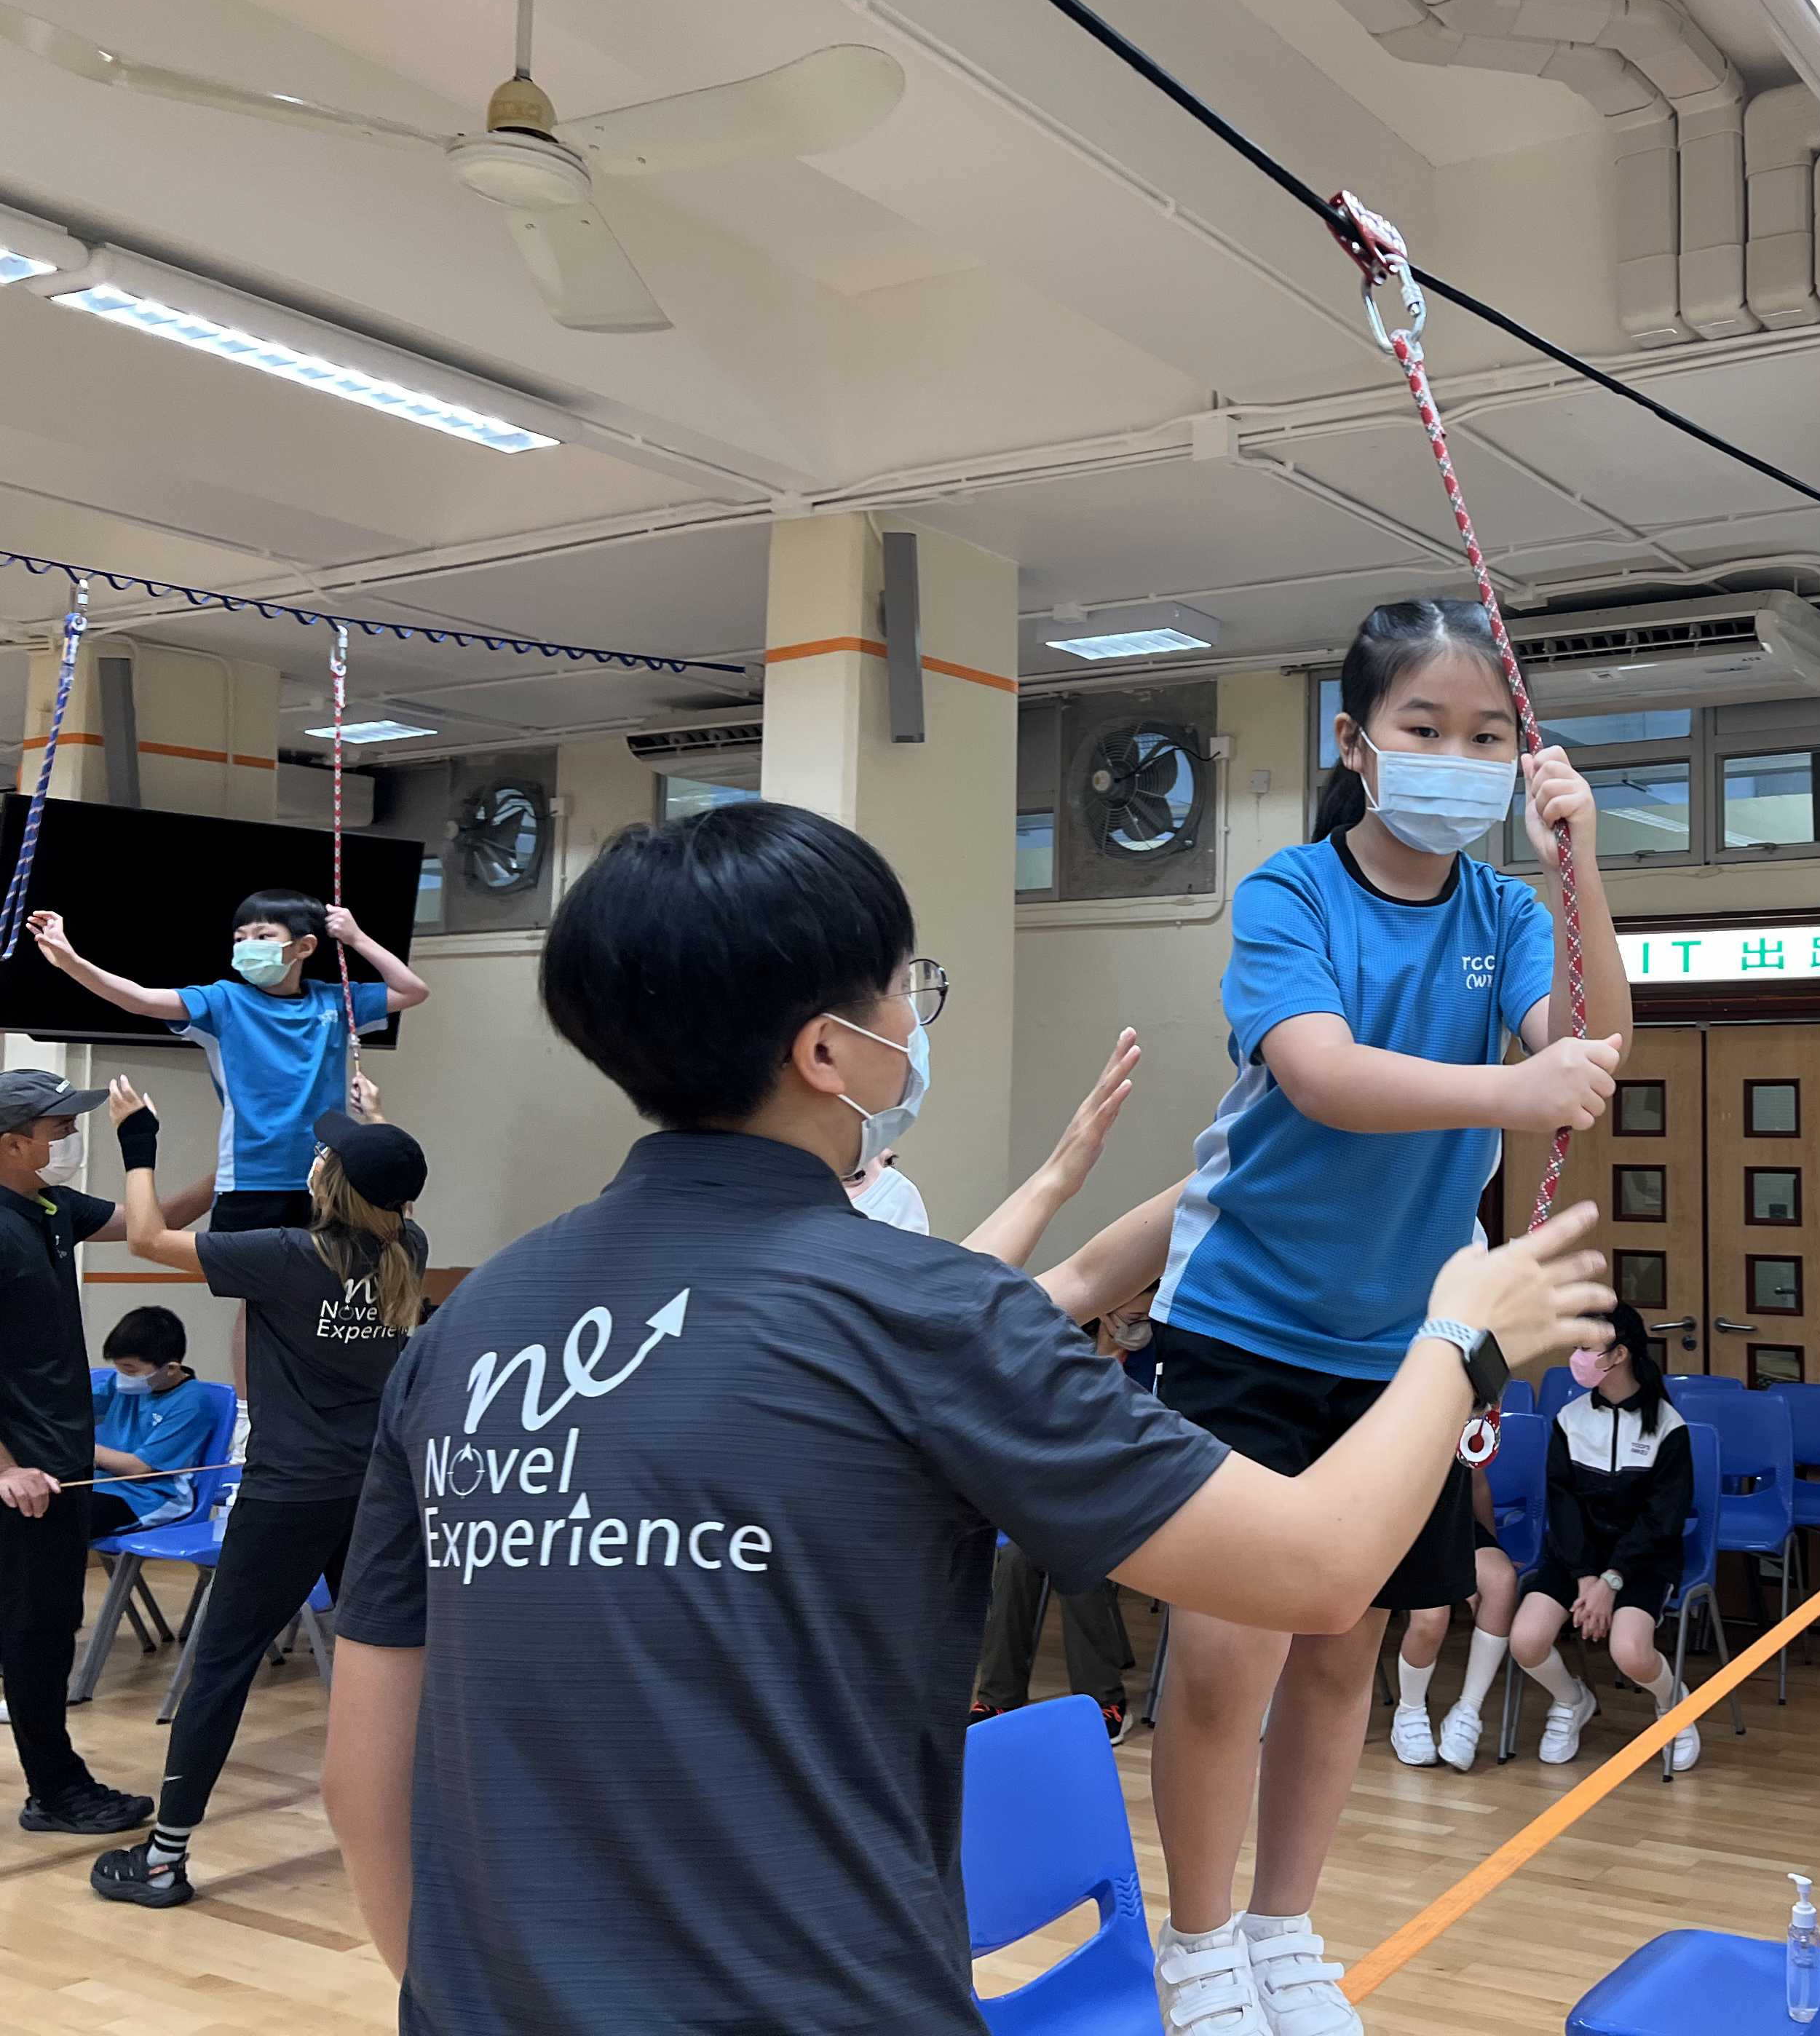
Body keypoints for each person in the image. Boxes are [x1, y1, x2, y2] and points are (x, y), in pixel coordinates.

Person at [316, 799, 1612, 2036]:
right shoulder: (924, 1316)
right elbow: (1318, 1571)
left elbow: (363, 1786)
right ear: (826, 1052)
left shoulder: (467, 1333)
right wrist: (1462, 1334)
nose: (913, 1017)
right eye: (904, 989)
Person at [1144, 598, 1635, 2036]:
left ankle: (1285, 1932)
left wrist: (1579, 863)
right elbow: (1321, 1072)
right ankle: (1201, 1945)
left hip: (1404, 1353)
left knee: (1342, 1648)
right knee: (1225, 1655)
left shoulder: (1506, 912)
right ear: (1355, 743)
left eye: (1487, 736)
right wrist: (1507, 1091)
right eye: (1424, 727)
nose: (1456, 758)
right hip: (1241, 1325)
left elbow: (1593, 1044)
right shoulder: (1290, 893)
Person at [86, 1073, 431, 1909]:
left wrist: (138, 1140)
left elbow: (145, 1239)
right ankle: (429, 1836)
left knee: (220, 1668)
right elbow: (392, 1193)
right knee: (388, 1658)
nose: (314, 1159)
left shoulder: (286, 1256)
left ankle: (162, 1861)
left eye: (326, 1156)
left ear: (332, 1183)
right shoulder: (407, 1250)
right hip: (376, 1494)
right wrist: (375, 1121)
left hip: (288, 1496)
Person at [28, 892, 430, 1238]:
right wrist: (71, 961)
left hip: (331, 1179)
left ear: (304, 947)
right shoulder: (223, 1001)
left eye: (264, 936)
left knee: (327, 1288)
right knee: (255, 1293)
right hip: (251, 1181)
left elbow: (412, 990)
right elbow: (141, 999)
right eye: (240, 938)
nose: (248, 946)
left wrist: (356, 938)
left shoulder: (335, 1001)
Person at [0, 1069, 159, 1835]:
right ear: (12, 1143)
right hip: (23, 1476)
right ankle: (56, 1791)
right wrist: (7, 1468)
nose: (69, 1138)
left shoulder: (52, 1207)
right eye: (58, 1128)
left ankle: (54, 1785)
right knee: (33, 1632)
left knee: (46, 1624)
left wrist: (164, 1152)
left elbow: (153, 1224)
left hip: (61, 1467)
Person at [1509, 1300, 1701, 1774]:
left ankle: (1675, 1704)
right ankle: (1572, 1699)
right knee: (1526, 1641)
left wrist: (1611, 1581)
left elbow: (1662, 1520)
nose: (1577, 1358)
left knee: (1630, 1653)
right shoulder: (1569, 1419)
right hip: (1577, 1558)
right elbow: (1563, 1507)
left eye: (1586, 1348)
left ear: (1620, 1355)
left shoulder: (1669, 1428)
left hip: (1643, 1559)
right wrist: (1584, 1577)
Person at [972, 1304, 1151, 1744]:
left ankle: (1102, 1700)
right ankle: (998, 1697)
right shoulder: (1064, 1351)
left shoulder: (1155, 1362)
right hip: (1054, 1496)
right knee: (1016, 1558)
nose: (1136, 1307)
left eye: (1146, 1296)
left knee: (1078, 1561)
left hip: (1123, 1500)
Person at [1388, 1467, 1518, 1772]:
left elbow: (1477, 1481)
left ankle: (1468, 1710)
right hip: (1403, 1527)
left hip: (1456, 1524)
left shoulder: (1460, 1433)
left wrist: (1490, 1544)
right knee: (1432, 1613)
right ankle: (1409, 1711)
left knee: (1501, 1581)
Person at [87, 1306, 219, 1538]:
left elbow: (139, 1468)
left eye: (130, 1369)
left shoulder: (191, 1402)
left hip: (150, 1496)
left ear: (171, 1369)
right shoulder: (121, 1385)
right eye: (118, 1367)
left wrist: (84, 1449)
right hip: (103, 1485)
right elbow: (76, 1411)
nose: (121, 1376)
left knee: (66, 1519)